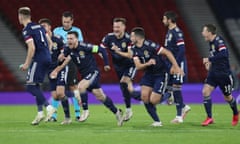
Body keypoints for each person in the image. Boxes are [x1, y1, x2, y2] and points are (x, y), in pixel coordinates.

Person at [50, 31, 124, 126]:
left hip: (93, 72)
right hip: (86, 76)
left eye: (71, 39)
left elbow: (102, 50)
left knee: (80, 86)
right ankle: (117, 112)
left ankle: (85, 111)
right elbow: (62, 60)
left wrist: (106, 64)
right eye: (68, 39)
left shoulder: (85, 47)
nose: (69, 41)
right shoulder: (68, 49)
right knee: (100, 96)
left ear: (77, 39)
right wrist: (59, 61)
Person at [126, 27, 184, 126]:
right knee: (144, 97)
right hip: (149, 74)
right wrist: (148, 64)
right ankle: (157, 121)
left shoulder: (150, 45)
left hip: (161, 74)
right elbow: (138, 66)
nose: (130, 38)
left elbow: (167, 52)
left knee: (153, 100)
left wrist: (176, 66)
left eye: (132, 36)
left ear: (137, 37)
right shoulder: (133, 49)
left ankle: (169, 94)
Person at [18, 7, 56, 125]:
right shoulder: (39, 26)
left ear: (20, 17)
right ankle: (40, 113)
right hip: (47, 57)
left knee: (30, 86)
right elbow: (50, 42)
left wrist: (26, 64)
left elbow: (32, 47)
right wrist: (47, 55)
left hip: (38, 59)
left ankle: (48, 107)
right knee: (36, 85)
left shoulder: (27, 30)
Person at [100, 17, 141, 122]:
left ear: (124, 27)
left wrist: (117, 52)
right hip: (118, 67)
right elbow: (101, 49)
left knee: (125, 83)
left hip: (130, 65)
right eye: (114, 27)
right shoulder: (109, 38)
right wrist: (105, 58)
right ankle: (129, 108)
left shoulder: (128, 39)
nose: (115, 29)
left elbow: (130, 55)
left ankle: (148, 98)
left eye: (118, 27)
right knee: (126, 88)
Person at [201, 24, 239, 126]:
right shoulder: (211, 43)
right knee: (205, 91)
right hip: (213, 73)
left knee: (227, 97)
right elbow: (214, 55)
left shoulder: (219, 41)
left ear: (209, 32)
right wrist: (210, 63)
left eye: (204, 31)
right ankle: (209, 118)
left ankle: (236, 113)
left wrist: (209, 59)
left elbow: (224, 54)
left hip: (224, 74)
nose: (202, 33)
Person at [39, 18, 72, 124]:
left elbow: (66, 54)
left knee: (60, 93)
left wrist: (59, 64)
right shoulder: (41, 41)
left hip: (60, 68)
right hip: (49, 70)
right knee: (55, 96)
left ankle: (67, 117)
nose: (43, 28)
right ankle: (53, 116)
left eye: (44, 26)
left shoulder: (58, 39)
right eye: (41, 27)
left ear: (49, 27)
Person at [52, 11, 83, 121]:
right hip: (59, 62)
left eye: (68, 22)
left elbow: (79, 46)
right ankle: (53, 115)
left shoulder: (77, 31)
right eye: (64, 22)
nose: (65, 24)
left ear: (72, 21)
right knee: (57, 89)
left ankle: (78, 114)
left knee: (72, 86)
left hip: (72, 62)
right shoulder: (56, 31)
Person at [162, 11, 191, 123]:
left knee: (176, 87)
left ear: (169, 20)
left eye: (164, 19)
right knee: (169, 87)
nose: (163, 21)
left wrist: (176, 65)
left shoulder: (177, 32)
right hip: (170, 63)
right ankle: (183, 106)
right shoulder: (169, 32)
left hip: (178, 64)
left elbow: (182, 50)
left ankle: (179, 116)